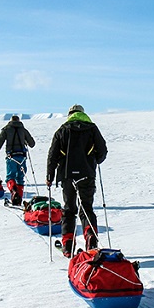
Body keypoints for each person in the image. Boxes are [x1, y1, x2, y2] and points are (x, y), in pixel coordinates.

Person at [46, 104, 108, 258]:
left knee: (69, 210)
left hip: (67, 176)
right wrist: (94, 160)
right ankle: (91, 239)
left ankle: (67, 245)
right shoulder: (92, 128)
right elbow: (103, 150)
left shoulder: (62, 130)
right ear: (82, 114)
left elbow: (52, 155)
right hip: (87, 174)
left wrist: (49, 176)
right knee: (86, 208)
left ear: (70, 114)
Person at [0, 114, 36, 206]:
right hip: (22, 157)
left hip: (11, 156)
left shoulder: (6, 129)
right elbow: (32, 144)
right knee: (20, 178)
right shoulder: (23, 130)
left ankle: (13, 191)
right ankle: (18, 200)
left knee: (10, 177)